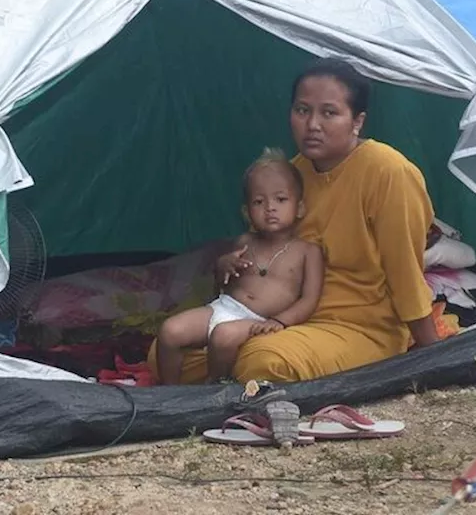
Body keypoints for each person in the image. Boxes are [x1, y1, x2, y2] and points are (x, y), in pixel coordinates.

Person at [147, 57, 437, 384]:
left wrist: (434, 355)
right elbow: (264, 256)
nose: (312, 124)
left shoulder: (389, 173)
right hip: (281, 319)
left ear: (357, 121)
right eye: (302, 111)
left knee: (264, 363)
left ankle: (231, 382)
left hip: (358, 327)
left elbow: (406, 273)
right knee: (164, 350)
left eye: (329, 113)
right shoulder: (293, 175)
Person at [156, 149, 324, 385]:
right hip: (224, 307)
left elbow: (309, 300)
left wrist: (280, 321)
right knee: (169, 331)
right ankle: (167, 394)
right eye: (259, 201)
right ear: (246, 212)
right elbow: (221, 287)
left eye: (281, 199)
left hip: (259, 320)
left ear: (299, 208)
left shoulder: (307, 251)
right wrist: (223, 266)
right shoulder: (245, 242)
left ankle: (214, 388)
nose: (270, 208)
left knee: (223, 336)